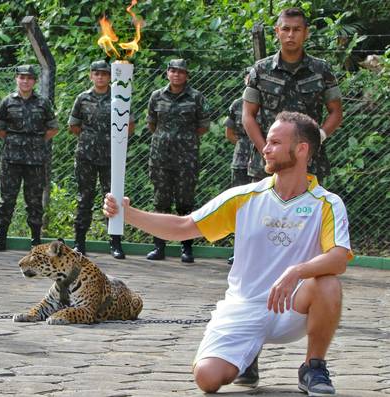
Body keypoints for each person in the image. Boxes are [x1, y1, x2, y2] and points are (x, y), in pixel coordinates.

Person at [103, 111, 352, 396]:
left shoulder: (327, 203)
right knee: (207, 379)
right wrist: (128, 214)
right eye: (266, 142)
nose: (265, 148)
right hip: (244, 306)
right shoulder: (244, 197)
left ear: (301, 149)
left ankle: (313, 366)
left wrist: (297, 271)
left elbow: (339, 257)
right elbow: (183, 227)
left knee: (328, 282)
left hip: (292, 306)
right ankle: (247, 355)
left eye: (274, 143)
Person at [242, 7, 343, 183]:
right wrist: (265, 150)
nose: (290, 35)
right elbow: (247, 115)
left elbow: (336, 111)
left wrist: (319, 136)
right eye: (285, 29)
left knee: (307, 210)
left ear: (306, 33)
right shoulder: (260, 70)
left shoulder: (322, 70)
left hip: (308, 162)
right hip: (267, 164)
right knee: (264, 210)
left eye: (296, 30)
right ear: (277, 32)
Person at [68, 60, 135, 259]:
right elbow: (74, 126)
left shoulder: (119, 97)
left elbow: (129, 126)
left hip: (111, 158)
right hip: (86, 157)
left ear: (110, 77)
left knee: (113, 199)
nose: (100, 77)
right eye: (96, 74)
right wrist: (92, 139)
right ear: (91, 76)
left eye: (104, 74)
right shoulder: (83, 98)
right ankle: (79, 243)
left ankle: (115, 243)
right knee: (84, 198)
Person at [0, 65, 58, 251]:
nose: (25, 81)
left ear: (34, 81)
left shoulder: (43, 103)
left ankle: (35, 241)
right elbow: (0, 129)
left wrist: (35, 141)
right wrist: (16, 141)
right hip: (11, 159)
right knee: (6, 199)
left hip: (35, 160)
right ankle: (1, 239)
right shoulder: (8, 102)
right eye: (21, 77)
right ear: (16, 79)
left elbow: (53, 128)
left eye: (29, 78)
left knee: (34, 201)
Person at [145, 59, 210, 263]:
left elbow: (203, 126)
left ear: (186, 75)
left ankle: (186, 248)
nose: (176, 75)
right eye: (173, 71)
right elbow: (151, 124)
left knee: (185, 203)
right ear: (167, 73)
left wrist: (184, 141)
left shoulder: (196, 98)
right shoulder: (157, 96)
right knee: (161, 202)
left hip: (186, 158)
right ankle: (159, 246)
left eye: (181, 72)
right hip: (161, 158)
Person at [224, 70, 254, 265]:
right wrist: (244, 145)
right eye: (248, 77)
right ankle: (239, 251)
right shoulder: (237, 105)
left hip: (263, 161)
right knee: (241, 207)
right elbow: (229, 133)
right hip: (241, 161)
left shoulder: (269, 103)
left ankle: (255, 252)